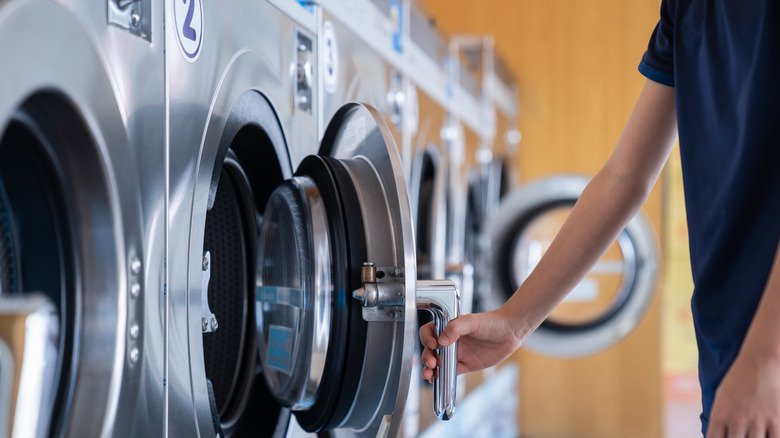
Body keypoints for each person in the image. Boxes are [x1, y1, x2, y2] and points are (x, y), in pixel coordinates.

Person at [419, 1, 780, 436]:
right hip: (730, 360)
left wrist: (766, 362)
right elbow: (623, 177)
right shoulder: (687, 10)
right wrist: (516, 321)